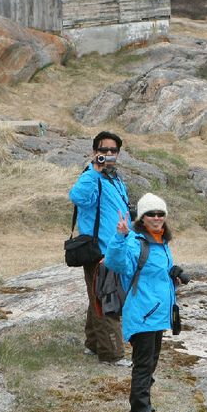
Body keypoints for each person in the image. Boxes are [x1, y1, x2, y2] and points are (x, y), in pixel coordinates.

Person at [105, 193, 185, 412]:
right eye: (151, 214)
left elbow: (154, 273)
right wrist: (119, 236)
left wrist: (173, 273)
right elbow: (115, 263)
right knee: (142, 369)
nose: (157, 218)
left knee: (149, 367)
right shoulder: (134, 242)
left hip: (158, 316)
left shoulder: (162, 242)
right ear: (142, 218)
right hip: (142, 315)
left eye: (161, 214)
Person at [68, 130, 131, 365]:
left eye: (113, 150)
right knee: (108, 301)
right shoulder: (92, 177)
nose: (108, 154)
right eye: (103, 150)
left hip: (115, 248)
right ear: (95, 152)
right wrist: (93, 170)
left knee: (99, 297)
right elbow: (78, 197)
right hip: (99, 252)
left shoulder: (114, 178)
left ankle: (93, 344)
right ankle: (112, 355)